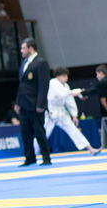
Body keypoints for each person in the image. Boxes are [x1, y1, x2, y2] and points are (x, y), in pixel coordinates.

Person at [43, 67, 99, 157]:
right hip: (50, 113)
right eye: (64, 76)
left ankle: (91, 149)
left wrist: (74, 115)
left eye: (67, 76)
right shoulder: (53, 83)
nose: (66, 78)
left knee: (74, 131)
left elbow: (70, 101)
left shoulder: (65, 86)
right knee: (43, 134)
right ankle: (33, 153)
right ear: (58, 76)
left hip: (61, 112)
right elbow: (66, 93)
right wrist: (80, 92)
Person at [16, 37, 52, 167]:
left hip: (36, 104)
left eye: (23, 48)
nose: (21, 51)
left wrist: (41, 104)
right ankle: (29, 157)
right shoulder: (24, 63)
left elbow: (44, 85)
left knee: (39, 132)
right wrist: (17, 102)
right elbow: (22, 85)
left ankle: (46, 157)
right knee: (25, 133)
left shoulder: (41, 63)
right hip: (24, 104)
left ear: (31, 49)